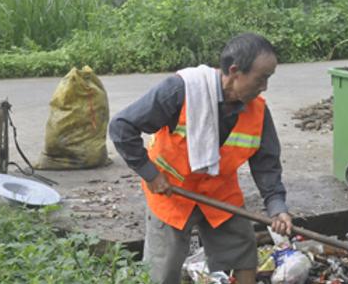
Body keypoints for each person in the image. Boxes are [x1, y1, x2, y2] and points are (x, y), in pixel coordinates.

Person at [109, 33, 292, 284]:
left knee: (243, 253)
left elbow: (266, 163)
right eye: (261, 79)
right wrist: (150, 174)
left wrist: (277, 206)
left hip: (219, 193)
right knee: (162, 271)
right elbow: (121, 127)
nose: (264, 87)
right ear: (235, 71)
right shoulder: (181, 90)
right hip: (171, 193)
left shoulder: (257, 109)